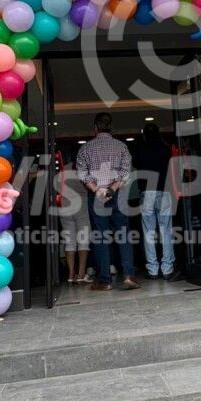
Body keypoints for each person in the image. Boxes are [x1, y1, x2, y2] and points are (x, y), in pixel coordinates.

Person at [76, 112, 139, 291]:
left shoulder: (85, 148)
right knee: (123, 233)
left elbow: (82, 173)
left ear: (95, 128)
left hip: (96, 196)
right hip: (117, 194)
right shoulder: (121, 146)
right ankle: (129, 275)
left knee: (100, 236)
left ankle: (105, 280)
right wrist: (113, 188)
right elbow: (125, 171)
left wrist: (97, 190)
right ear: (110, 127)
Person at [133, 122, 177, 279]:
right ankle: (167, 269)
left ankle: (152, 269)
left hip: (147, 192)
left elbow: (135, 164)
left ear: (144, 135)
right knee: (166, 231)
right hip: (164, 192)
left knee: (148, 232)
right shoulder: (165, 148)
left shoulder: (140, 148)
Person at [57, 168, 91, 284]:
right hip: (81, 203)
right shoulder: (83, 169)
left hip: (64, 204)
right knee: (83, 239)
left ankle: (71, 274)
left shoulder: (62, 170)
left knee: (69, 241)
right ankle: (81, 274)